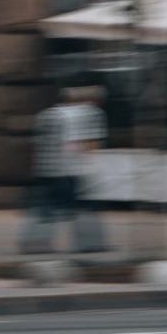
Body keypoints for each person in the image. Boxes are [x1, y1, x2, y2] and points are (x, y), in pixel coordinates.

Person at [19, 89, 75, 253]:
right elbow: (69, 144)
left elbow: (37, 142)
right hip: (59, 170)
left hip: (43, 169)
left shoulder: (43, 116)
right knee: (55, 209)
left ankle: (28, 239)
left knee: (41, 207)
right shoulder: (65, 117)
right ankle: (45, 242)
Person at [65, 85, 111, 253]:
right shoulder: (93, 113)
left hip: (68, 166)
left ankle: (80, 243)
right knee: (91, 207)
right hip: (85, 166)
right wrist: (93, 164)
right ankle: (94, 243)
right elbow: (92, 142)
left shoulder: (67, 113)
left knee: (78, 207)